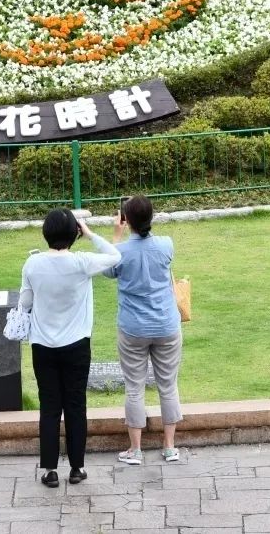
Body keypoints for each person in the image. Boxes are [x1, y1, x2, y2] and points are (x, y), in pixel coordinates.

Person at [18, 208, 121, 488]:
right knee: (76, 405)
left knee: (49, 407)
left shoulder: (33, 264)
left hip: (43, 345)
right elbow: (115, 255)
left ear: (46, 233)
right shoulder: (82, 262)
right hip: (77, 344)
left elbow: (25, 301)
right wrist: (89, 233)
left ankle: (50, 470)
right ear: (74, 233)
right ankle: (77, 468)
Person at [105, 195, 183, 465]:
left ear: (126, 220)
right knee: (168, 385)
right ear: (152, 217)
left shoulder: (121, 251)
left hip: (133, 328)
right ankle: (170, 447)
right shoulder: (166, 245)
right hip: (166, 325)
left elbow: (109, 268)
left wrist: (117, 236)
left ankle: (135, 450)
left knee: (134, 388)